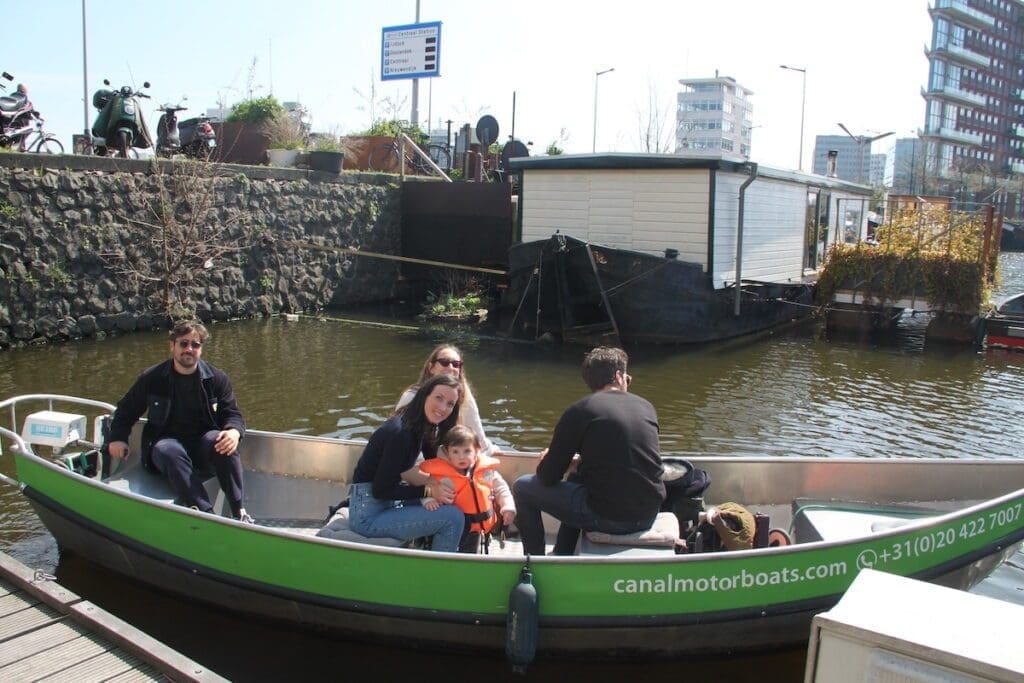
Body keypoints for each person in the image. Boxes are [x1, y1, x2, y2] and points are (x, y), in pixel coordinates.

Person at [512, 346, 665, 555]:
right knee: (577, 477)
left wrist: (554, 460)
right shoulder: (647, 407)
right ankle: (562, 552)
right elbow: (626, 457)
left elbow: (547, 477)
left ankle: (536, 561)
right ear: (619, 376)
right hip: (649, 513)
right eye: (628, 378)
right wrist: (578, 464)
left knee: (523, 487)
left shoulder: (580, 411)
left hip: (608, 518)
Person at [107, 320, 252, 523]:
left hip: (202, 447)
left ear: (201, 349)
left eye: (195, 344)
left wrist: (234, 432)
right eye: (183, 343)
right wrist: (118, 438)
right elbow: (125, 410)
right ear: (172, 346)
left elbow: (233, 414)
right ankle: (205, 513)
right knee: (170, 451)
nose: (189, 349)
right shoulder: (153, 378)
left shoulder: (217, 379)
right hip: (166, 444)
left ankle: (239, 512)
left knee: (223, 442)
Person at [348, 374, 466, 551]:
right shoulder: (400, 433)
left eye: (450, 404)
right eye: (438, 398)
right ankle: (440, 566)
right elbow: (381, 490)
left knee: (446, 500)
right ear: (425, 395)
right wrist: (430, 490)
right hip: (368, 517)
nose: (443, 408)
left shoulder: (419, 425)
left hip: (386, 505)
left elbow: (434, 463)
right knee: (453, 518)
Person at [420, 425, 516, 553]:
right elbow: (426, 489)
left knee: (472, 552)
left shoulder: (486, 471)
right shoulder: (440, 475)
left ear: (476, 451)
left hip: (478, 528)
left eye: (467, 451)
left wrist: (507, 506)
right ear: (447, 453)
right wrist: (428, 500)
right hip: (454, 527)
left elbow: (501, 488)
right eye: (455, 452)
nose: (461, 457)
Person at [395, 344, 500, 456]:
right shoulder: (411, 396)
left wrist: (489, 449)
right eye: (444, 362)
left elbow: (478, 437)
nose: (450, 368)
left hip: (446, 456)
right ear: (431, 368)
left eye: (456, 364)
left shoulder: (465, 398)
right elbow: (400, 438)